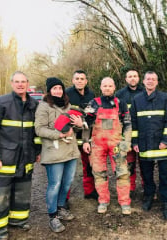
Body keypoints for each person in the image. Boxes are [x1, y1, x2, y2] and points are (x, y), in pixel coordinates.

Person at [0, 71, 40, 240]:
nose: (20, 84)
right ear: (11, 83)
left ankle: (18, 221)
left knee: (22, 194)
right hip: (4, 160)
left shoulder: (33, 105)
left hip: (25, 159)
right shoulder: (1, 102)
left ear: (28, 83)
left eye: (23, 81)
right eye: (17, 81)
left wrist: (37, 152)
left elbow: (35, 132)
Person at [35, 77, 82, 233]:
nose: (58, 91)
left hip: (70, 152)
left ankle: (61, 208)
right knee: (54, 185)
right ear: (49, 91)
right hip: (53, 153)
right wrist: (58, 135)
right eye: (54, 88)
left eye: (60, 88)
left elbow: (72, 127)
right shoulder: (43, 107)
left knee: (67, 183)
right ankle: (52, 216)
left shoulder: (68, 106)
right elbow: (39, 129)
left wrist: (79, 125)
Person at [82, 77, 132, 215]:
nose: (107, 88)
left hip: (116, 144)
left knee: (122, 173)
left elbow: (128, 124)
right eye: (105, 86)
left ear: (114, 87)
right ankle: (103, 200)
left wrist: (126, 142)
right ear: (101, 87)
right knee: (99, 174)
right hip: (97, 145)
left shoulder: (121, 103)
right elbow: (86, 124)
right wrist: (85, 141)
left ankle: (125, 202)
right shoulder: (94, 103)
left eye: (110, 85)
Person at [130, 71, 167, 220]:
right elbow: (133, 122)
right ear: (143, 81)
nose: (150, 81)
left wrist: (166, 140)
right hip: (144, 144)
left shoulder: (165, 98)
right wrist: (134, 142)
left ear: (157, 82)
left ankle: (166, 201)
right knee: (146, 174)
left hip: (162, 144)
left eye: (153, 79)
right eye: (148, 79)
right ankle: (149, 196)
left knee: (165, 175)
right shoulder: (136, 100)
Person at [66, 70, 97, 201]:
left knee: (89, 165)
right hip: (70, 134)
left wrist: (84, 124)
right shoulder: (67, 94)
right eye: (77, 78)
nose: (79, 81)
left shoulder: (91, 95)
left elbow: (92, 115)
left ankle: (89, 191)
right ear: (73, 80)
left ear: (86, 81)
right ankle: (64, 197)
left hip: (86, 134)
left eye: (82, 78)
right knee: (67, 166)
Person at [115, 70, 144, 197]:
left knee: (144, 164)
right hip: (126, 135)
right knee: (130, 164)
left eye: (135, 76)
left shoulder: (144, 92)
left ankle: (146, 187)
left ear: (139, 78)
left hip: (142, 134)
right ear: (126, 79)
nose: (133, 78)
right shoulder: (120, 95)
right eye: (130, 76)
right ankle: (130, 189)